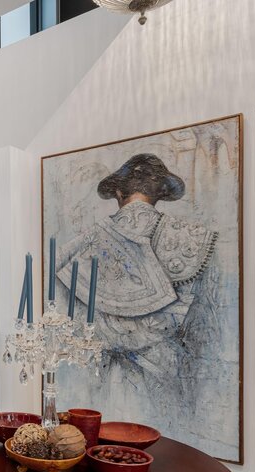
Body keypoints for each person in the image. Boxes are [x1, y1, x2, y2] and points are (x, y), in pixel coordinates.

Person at [57, 153, 219, 421]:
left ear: (119, 193)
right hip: (166, 372)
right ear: (159, 194)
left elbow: (66, 325)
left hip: (97, 379)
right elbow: (206, 329)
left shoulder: (81, 245)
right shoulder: (196, 239)